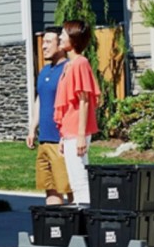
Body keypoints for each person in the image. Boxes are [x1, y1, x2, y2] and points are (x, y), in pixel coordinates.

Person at [54, 20, 100, 205]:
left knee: (80, 178)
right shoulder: (68, 65)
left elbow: (84, 100)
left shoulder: (80, 63)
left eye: (63, 34)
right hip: (70, 131)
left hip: (77, 130)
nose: (60, 37)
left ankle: (85, 218)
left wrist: (81, 135)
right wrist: (63, 137)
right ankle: (81, 216)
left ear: (73, 39)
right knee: (74, 178)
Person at [27, 27, 73, 205]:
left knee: (69, 188)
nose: (43, 46)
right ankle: (56, 228)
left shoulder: (68, 69)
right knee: (51, 189)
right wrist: (33, 128)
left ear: (60, 45)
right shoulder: (45, 71)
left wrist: (65, 135)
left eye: (48, 42)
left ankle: (78, 229)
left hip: (60, 141)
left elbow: (72, 104)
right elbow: (40, 99)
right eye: (43, 42)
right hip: (44, 140)